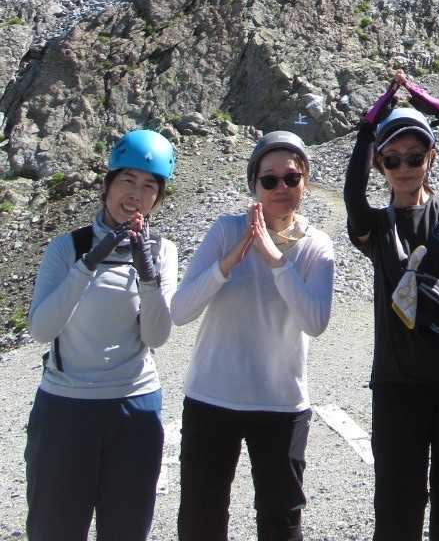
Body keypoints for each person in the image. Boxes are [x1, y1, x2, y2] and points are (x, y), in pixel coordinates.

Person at [172, 130, 334, 541]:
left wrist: (275, 259)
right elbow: (181, 311)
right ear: (254, 184)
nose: (281, 187)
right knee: (201, 520)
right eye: (270, 179)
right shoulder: (227, 230)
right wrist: (228, 262)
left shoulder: (317, 246)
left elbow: (315, 322)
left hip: (282, 404)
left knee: (282, 523)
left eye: (292, 178)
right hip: (211, 398)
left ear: (305, 181)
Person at [25, 128, 178, 541]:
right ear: (107, 185)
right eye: (128, 180)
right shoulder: (68, 248)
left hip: (135, 405)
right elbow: (42, 328)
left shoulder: (162, 251)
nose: (136, 194)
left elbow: (157, 336)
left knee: (127, 529)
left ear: (158, 198)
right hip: (65, 406)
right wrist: (88, 264)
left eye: (149, 186)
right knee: (55, 528)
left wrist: (148, 276)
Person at [343, 70, 439, 541]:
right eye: (393, 159)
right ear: (380, 165)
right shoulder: (375, 227)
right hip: (396, 386)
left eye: (415, 157)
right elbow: (353, 195)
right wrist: (365, 129)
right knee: (397, 504)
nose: (405, 167)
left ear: (431, 158)